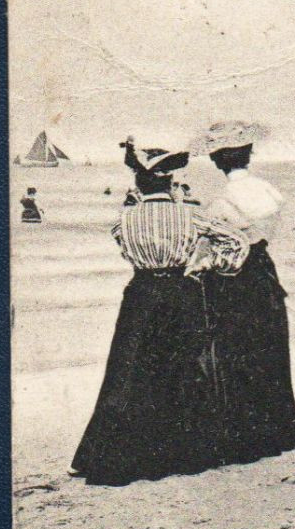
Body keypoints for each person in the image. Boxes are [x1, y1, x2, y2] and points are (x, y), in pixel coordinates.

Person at [71, 142, 249, 486]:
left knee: (128, 371)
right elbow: (235, 243)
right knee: (183, 366)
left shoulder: (124, 218)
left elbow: (125, 248)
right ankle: (185, 452)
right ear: (170, 182)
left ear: (139, 184)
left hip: (141, 293)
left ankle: (113, 455)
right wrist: (209, 266)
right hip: (181, 293)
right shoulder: (191, 213)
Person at [196, 121, 295, 466]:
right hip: (263, 268)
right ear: (248, 156)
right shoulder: (269, 191)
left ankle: (248, 434)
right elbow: (267, 231)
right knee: (269, 346)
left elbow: (215, 246)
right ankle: (281, 430)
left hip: (236, 276)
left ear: (217, 161)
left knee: (237, 351)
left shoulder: (221, 202)